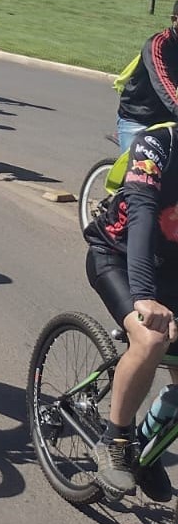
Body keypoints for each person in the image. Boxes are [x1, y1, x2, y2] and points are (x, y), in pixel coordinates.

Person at [83, 125, 178, 501]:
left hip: (169, 268)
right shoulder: (158, 143)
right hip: (118, 257)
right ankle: (116, 439)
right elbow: (140, 213)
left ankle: (146, 445)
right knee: (151, 336)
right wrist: (143, 297)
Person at [113, 4, 178, 152]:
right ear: (174, 19)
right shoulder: (158, 44)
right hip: (138, 119)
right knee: (141, 170)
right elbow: (163, 83)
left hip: (167, 121)